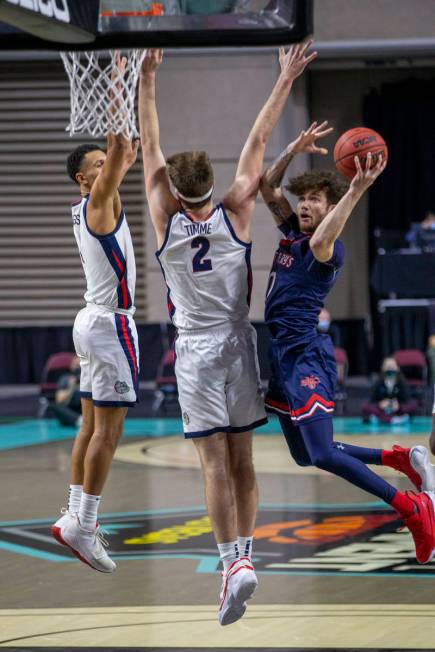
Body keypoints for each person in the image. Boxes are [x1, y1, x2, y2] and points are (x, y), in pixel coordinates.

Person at [139, 43, 316, 625]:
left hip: (194, 350)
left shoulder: (164, 217)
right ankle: (246, 556)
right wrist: (284, 77)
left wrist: (146, 79)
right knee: (243, 459)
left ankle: (227, 567)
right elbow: (259, 140)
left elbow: (151, 146)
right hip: (240, 342)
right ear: (210, 184)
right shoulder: (236, 208)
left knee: (212, 464)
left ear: (173, 190)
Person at [260, 119, 435, 565]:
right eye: (302, 199)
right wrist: (294, 148)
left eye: (314, 200)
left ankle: (411, 507)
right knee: (305, 455)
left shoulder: (326, 250)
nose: (303, 206)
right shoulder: (292, 236)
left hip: (306, 357)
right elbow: (266, 184)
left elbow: (323, 237)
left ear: (332, 206)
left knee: (321, 450)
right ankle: (399, 457)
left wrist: (357, 188)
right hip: (279, 359)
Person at [51, 55, 139, 573]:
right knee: (108, 430)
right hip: (109, 323)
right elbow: (120, 147)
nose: (110, 166)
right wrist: (118, 81)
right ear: (86, 179)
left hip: (92, 321)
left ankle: (74, 513)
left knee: (88, 425)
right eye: (100, 165)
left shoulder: (97, 203)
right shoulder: (97, 203)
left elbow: (124, 153)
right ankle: (85, 524)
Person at [362, 356, 418, 425]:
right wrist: (379, 405)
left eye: (393, 367)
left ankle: (386, 420)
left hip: (397, 411)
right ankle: (390, 420)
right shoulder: (378, 382)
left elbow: (408, 401)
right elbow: (369, 403)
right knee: (366, 407)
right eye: (388, 367)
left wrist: (399, 406)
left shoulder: (402, 382)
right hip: (382, 411)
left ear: (398, 368)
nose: (390, 370)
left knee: (413, 406)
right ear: (383, 369)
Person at [51, 355, 82, 427]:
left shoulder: (88, 379)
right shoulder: (65, 378)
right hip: (71, 408)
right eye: (75, 365)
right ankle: (79, 420)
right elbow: (59, 400)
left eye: (79, 365)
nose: (77, 368)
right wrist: (72, 388)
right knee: (54, 406)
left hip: (85, 406)